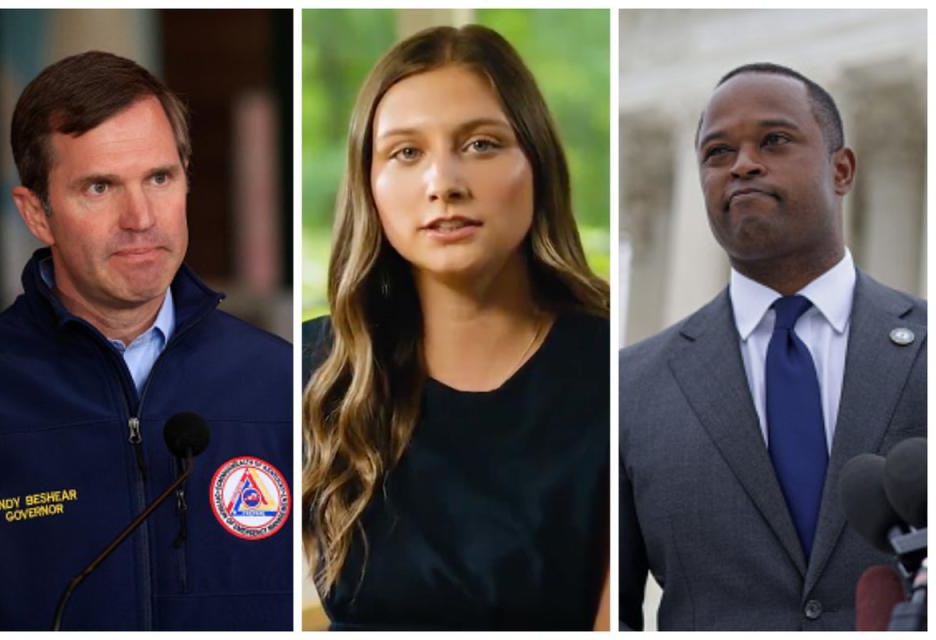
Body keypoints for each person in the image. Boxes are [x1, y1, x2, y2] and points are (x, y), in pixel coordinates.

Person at [302, 25, 610, 631]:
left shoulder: (615, 376)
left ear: (538, 164)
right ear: (369, 184)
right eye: (406, 152)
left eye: (481, 144)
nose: (444, 184)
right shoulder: (312, 373)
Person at [0, 51, 293, 631]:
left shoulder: (281, 380)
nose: (140, 216)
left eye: (159, 178)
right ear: (37, 215)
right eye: (100, 187)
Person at [619, 63, 926, 630]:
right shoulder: (630, 387)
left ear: (842, 169)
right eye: (716, 153)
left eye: (774, 140)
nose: (742, 164)